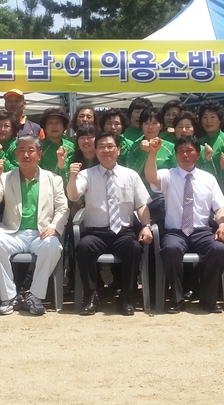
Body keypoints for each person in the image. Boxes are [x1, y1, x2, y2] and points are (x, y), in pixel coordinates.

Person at [67, 132, 152, 316]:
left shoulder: (131, 175)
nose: (106, 150)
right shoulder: (86, 174)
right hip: (96, 232)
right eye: (101, 147)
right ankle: (91, 297)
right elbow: (73, 196)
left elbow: (142, 205)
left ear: (118, 150)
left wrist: (146, 226)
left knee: (134, 248)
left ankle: (126, 297)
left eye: (110, 146)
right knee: (84, 247)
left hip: (123, 232)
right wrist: (72, 178)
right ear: (96, 151)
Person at [0, 136, 69, 316]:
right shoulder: (6, 177)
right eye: (21, 150)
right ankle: (9, 297)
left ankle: (35, 296)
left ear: (39, 154)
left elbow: (63, 208)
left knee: (53, 246)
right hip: (12, 232)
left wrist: (54, 226)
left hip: (41, 232)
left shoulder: (53, 179)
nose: (26, 154)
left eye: (31, 150)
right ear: (16, 154)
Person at [145, 136, 224, 314]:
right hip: (175, 232)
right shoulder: (169, 175)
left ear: (198, 154)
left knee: (218, 249)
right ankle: (177, 298)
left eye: (189, 150)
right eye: (180, 151)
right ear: (176, 155)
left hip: (202, 231)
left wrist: (222, 225)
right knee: (170, 249)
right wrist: (152, 154)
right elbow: (151, 177)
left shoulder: (208, 179)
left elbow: (220, 207)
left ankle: (208, 299)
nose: (185, 154)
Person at [197, 100, 224, 198]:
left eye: (212, 117)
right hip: (203, 190)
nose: (208, 121)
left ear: (220, 120)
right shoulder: (199, 141)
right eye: (205, 117)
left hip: (223, 192)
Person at [39, 108, 74, 181]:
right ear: (45, 128)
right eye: (50, 123)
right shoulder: (38, 147)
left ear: (64, 127)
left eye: (58, 122)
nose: (54, 126)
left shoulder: (71, 147)